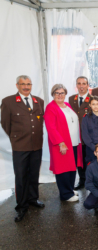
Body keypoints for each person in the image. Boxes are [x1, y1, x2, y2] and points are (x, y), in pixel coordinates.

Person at [1, 75, 45, 222]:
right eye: (23, 84)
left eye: (28, 84)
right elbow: (6, 125)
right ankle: (21, 206)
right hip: (20, 146)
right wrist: (16, 138)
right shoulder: (8, 102)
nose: (26, 87)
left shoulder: (39, 101)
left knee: (34, 174)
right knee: (20, 177)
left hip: (36, 145)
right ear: (17, 85)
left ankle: (33, 199)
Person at [44, 84, 83, 202]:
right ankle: (65, 194)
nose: (60, 95)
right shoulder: (51, 107)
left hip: (74, 143)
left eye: (62, 93)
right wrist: (61, 143)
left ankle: (69, 189)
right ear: (53, 94)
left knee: (72, 168)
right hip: (62, 145)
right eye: (57, 93)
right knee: (63, 169)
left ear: (65, 94)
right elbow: (51, 127)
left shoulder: (67, 105)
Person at [68, 76, 92, 190]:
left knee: (89, 160)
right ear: (76, 85)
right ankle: (82, 180)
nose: (81, 86)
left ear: (88, 85)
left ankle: (90, 181)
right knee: (79, 161)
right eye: (79, 83)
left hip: (88, 136)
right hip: (75, 136)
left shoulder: (93, 99)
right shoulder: (71, 99)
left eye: (84, 83)